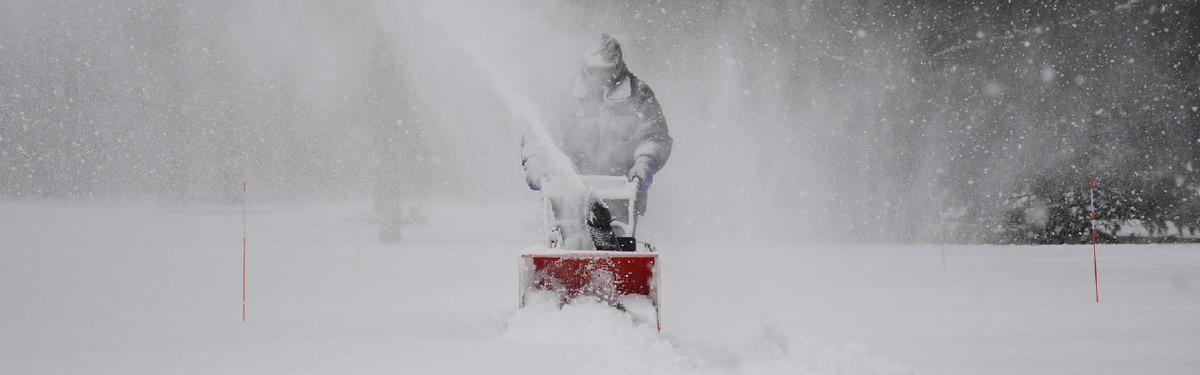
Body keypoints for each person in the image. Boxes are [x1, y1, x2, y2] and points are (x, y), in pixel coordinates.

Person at [521, 34, 673, 247]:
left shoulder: (639, 95)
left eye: (608, 71)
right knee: (574, 246)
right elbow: (539, 134)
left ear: (618, 66)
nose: (602, 78)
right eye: (596, 72)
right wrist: (536, 163)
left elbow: (654, 135)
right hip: (569, 191)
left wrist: (644, 163)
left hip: (622, 190)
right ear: (586, 66)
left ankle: (616, 277)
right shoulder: (565, 96)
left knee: (617, 246)